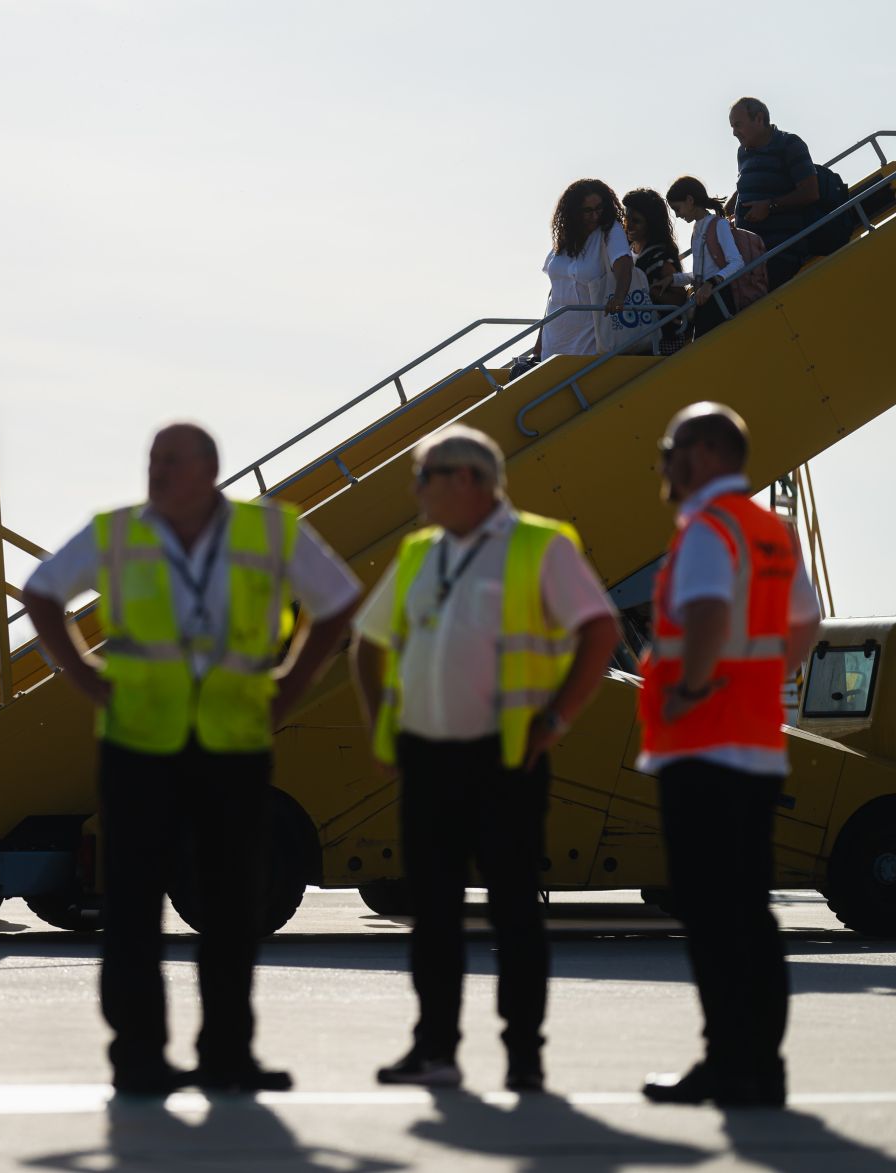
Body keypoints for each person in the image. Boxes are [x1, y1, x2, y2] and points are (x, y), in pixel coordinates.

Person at [24, 423, 361, 1097]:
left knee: (232, 904)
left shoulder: (270, 531)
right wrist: (87, 676)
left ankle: (227, 1053)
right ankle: (138, 1055)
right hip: (139, 743)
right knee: (132, 904)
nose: (155, 471)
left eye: (170, 461)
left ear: (209, 470)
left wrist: (290, 684)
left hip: (232, 742)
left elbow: (340, 602)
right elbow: (41, 592)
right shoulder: (117, 531)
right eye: (151, 459)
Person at [350, 426, 619, 1093]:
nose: (415, 491)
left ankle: (524, 1054)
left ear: (467, 479)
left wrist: (556, 719)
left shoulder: (540, 544)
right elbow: (369, 640)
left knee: (514, 910)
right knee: (432, 911)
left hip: (507, 759)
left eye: (424, 476)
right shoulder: (420, 552)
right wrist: (386, 725)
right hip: (426, 758)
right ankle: (434, 1047)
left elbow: (601, 629)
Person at [639, 403, 819, 1109]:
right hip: (756, 744)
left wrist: (693, 686)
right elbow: (803, 623)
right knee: (750, 911)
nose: (666, 462)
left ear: (707, 453)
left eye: (674, 447)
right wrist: (759, 681)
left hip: (704, 745)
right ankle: (760, 1067)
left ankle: (726, 1062)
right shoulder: (770, 530)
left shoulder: (709, 530)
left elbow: (710, 614)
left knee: (713, 912)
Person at [535, 179, 635, 360]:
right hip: (554, 338)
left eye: (599, 208)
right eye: (587, 211)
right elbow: (555, 291)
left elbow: (624, 265)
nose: (595, 215)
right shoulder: (565, 239)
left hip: (589, 337)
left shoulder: (610, 231)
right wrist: (538, 342)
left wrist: (620, 297)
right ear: (573, 212)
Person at [728, 97, 819, 289]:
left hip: (781, 251)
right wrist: (731, 204)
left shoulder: (789, 144)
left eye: (738, 125)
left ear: (759, 119)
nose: (734, 132)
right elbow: (753, 180)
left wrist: (769, 206)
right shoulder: (743, 152)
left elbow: (810, 192)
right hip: (752, 254)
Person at [666, 176, 747, 340]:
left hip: (719, 297)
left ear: (689, 200)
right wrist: (673, 280)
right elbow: (700, 274)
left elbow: (737, 262)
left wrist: (712, 283)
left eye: (677, 208)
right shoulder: (697, 228)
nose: (677, 215)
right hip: (705, 299)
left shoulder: (719, 224)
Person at [622, 187, 685, 351]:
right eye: (626, 218)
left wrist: (645, 291)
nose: (628, 225)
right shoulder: (625, 250)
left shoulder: (660, 257)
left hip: (661, 341)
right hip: (634, 333)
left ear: (651, 223)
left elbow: (679, 300)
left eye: (636, 221)